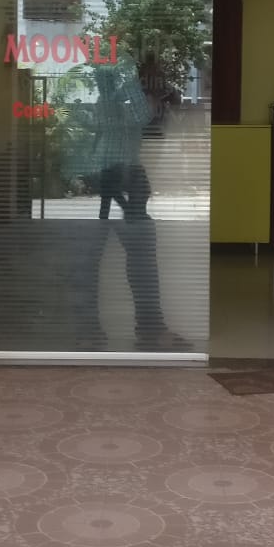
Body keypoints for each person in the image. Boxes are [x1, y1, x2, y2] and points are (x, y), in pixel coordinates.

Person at [86, 61, 193, 352]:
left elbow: (157, 114)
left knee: (137, 257)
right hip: (114, 177)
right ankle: (98, 329)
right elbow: (139, 116)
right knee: (98, 258)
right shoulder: (121, 101)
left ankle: (146, 328)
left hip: (126, 179)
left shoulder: (125, 100)